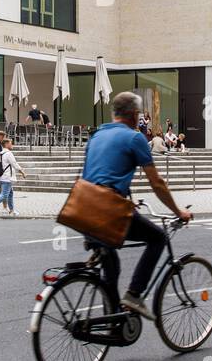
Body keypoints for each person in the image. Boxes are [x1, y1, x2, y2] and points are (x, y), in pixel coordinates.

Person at [81, 91, 193, 318]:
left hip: (83, 207)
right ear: (134, 116)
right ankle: (134, 295)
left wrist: (127, 201)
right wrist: (178, 211)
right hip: (109, 209)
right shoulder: (135, 138)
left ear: (115, 113)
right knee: (158, 237)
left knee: (110, 269)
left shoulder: (96, 136)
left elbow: (98, 174)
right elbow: (157, 184)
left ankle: (113, 322)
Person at [0, 138, 23, 215]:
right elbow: (14, 164)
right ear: (6, 144)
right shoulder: (8, 153)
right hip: (7, 178)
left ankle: (12, 210)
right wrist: (22, 172)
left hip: (1, 177)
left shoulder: (0, 153)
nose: (12, 145)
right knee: (4, 195)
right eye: (10, 143)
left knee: (10, 193)